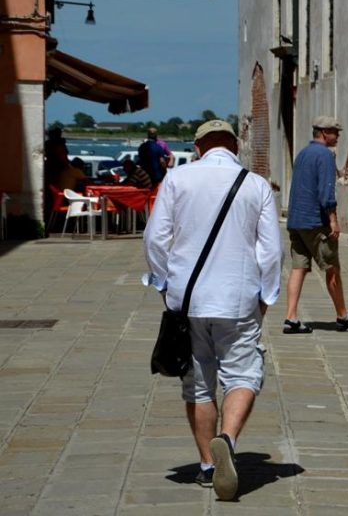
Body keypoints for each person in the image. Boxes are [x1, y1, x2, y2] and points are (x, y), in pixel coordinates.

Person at [143, 119, 281, 499]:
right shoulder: (255, 185)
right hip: (238, 298)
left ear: (199, 146)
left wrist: (163, 283)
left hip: (187, 299)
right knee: (243, 375)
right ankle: (228, 439)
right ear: (235, 147)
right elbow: (270, 251)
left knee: (199, 382)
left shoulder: (178, 179)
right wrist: (266, 296)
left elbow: (155, 238)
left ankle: (207, 465)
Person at [284, 116, 348, 334]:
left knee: (298, 268)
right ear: (323, 132)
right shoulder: (326, 156)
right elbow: (326, 192)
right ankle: (343, 315)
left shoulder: (302, 154)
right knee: (332, 268)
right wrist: (333, 220)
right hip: (315, 222)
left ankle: (290, 317)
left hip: (296, 221)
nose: (337, 135)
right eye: (334, 131)